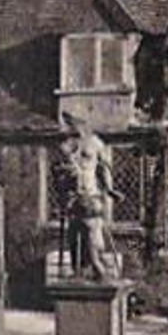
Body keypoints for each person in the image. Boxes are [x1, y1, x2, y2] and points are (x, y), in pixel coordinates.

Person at [61, 113, 121, 282]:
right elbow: (62, 172)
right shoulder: (68, 145)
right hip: (75, 199)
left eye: (71, 125)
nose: (69, 128)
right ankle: (78, 270)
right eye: (67, 125)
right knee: (74, 234)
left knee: (91, 235)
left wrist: (109, 189)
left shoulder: (95, 144)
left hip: (91, 197)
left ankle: (98, 268)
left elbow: (103, 168)